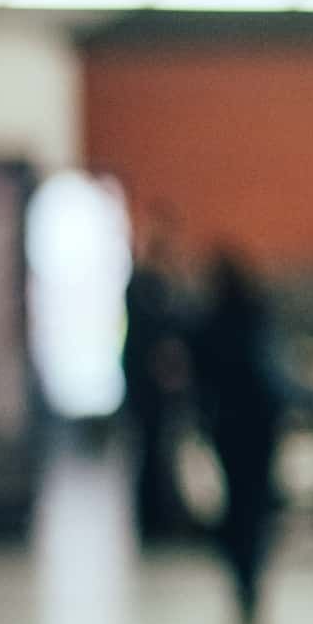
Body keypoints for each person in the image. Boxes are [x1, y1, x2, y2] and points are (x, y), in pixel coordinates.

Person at [191, 252, 289, 624]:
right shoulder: (256, 315)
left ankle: (241, 564)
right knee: (257, 500)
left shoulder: (208, 323)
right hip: (261, 424)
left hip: (227, 426)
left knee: (236, 499)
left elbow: (198, 376)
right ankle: (253, 565)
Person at [121, 205, 193, 545]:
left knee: (159, 448)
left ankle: (159, 512)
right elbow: (151, 335)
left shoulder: (161, 281)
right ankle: (151, 517)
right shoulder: (144, 283)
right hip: (145, 383)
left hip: (155, 382)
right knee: (149, 448)